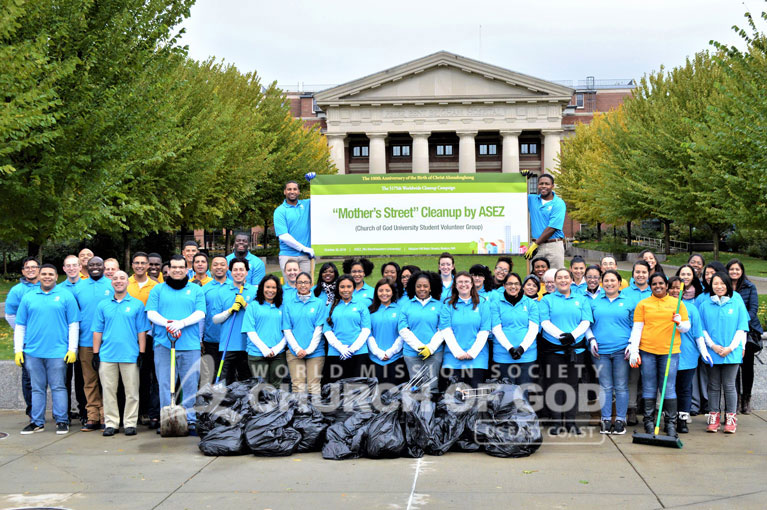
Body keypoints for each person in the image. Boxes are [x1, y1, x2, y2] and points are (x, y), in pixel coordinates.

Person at [14, 264, 80, 435]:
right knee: (37, 388)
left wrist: (72, 349)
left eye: (51, 274)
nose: (47, 277)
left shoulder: (66, 296)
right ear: (39, 276)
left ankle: (62, 420)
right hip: (33, 352)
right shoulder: (29, 297)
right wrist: (18, 350)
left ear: (56, 277)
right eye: (44, 274)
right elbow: (20, 325)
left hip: (58, 352)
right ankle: (36, 422)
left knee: (59, 387)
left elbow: (73, 324)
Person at [146, 255, 206, 435]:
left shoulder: (195, 289)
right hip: (164, 344)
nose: (177, 270)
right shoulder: (158, 290)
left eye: (181, 267)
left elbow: (200, 313)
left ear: (187, 269)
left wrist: (181, 323)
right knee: (165, 383)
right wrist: (167, 323)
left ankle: (189, 419)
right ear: (169, 269)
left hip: (189, 345)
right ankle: (168, 418)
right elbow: (151, 312)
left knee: (189, 382)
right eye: (174, 267)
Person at [627, 273, 690, 437]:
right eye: (654, 284)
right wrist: (634, 349)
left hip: (670, 351)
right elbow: (637, 328)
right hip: (648, 351)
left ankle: (670, 423)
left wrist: (679, 323)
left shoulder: (677, 304)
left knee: (668, 387)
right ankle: (648, 422)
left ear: (667, 285)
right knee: (649, 386)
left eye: (661, 283)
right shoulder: (643, 304)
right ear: (650, 286)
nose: (658, 286)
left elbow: (686, 327)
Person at [92, 271, 149, 436]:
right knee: (109, 391)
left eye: (122, 278)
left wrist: (142, 352)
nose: (118, 281)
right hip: (107, 355)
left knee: (132, 392)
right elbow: (97, 330)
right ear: (111, 283)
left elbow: (141, 331)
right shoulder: (103, 305)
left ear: (127, 282)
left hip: (130, 355)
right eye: (115, 279)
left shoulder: (137, 305)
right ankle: (111, 423)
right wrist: (96, 354)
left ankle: (130, 422)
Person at [539, 268, 593, 434]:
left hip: (576, 349)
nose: (563, 280)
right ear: (554, 282)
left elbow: (586, 321)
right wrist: (562, 336)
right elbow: (544, 322)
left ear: (571, 280)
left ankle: (570, 421)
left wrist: (573, 336)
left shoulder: (581, 299)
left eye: (566, 277)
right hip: (553, 349)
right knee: (554, 385)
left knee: (573, 385)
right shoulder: (547, 300)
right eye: (559, 278)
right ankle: (556, 422)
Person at [698, 272, 749, 434]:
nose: (719, 287)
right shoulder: (705, 305)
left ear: (727, 284)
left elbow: (741, 329)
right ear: (711, 286)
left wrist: (731, 348)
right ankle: (714, 416)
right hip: (713, 352)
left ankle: (731, 418)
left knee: (729, 386)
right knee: (713, 386)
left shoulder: (737, 303)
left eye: (722, 283)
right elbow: (702, 329)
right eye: (715, 284)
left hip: (731, 353)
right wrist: (712, 346)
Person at [586, 270, 633, 435]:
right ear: (601, 283)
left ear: (620, 283)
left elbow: (636, 325)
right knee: (605, 386)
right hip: (600, 352)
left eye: (613, 280)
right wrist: (591, 340)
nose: (609, 283)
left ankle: (620, 419)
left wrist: (632, 345)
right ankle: (606, 419)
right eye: (606, 280)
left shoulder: (628, 301)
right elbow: (587, 325)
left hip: (622, 351)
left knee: (620, 386)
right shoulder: (594, 302)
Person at [71, 256, 114, 431]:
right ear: (85, 267)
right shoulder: (78, 288)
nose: (95, 267)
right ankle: (92, 416)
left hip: (108, 342)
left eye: (98, 264)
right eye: (91, 265)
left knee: (107, 381)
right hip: (86, 342)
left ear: (104, 267)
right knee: (89, 381)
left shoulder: (111, 285)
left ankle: (106, 416)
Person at [667, 276, 708, 434]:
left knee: (684, 388)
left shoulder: (691, 309)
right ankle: (669, 419)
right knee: (669, 388)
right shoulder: (662, 307)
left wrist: (704, 352)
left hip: (688, 354)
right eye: (672, 287)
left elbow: (698, 333)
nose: (675, 291)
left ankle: (682, 419)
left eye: (678, 288)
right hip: (667, 354)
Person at [439, 271, 491, 389]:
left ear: (472, 284)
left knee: (476, 398)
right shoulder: (448, 304)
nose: (463, 285)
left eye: (467, 281)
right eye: (460, 282)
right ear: (455, 285)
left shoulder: (482, 303)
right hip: (453, 360)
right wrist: (458, 353)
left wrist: (472, 353)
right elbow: (446, 330)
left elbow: (485, 330)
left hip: (477, 359)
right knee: (455, 400)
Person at [212, 258, 258, 385]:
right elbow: (215, 319)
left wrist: (245, 305)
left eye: (242, 269)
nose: (238, 272)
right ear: (230, 272)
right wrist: (230, 310)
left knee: (246, 383)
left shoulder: (255, 292)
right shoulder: (221, 292)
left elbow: (259, 317)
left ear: (247, 272)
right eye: (235, 270)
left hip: (248, 345)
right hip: (227, 345)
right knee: (225, 383)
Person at [398, 271, 444, 399]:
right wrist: (420, 347)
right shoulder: (406, 306)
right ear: (413, 287)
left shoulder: (439, 306)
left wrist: (430, 348)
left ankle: (430, 417)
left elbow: (443, 329)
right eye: (418, 286)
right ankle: (417, 417)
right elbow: (403, 329)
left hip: (434, 353)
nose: (422, 289)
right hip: (412, 354)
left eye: (425, 286)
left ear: (430, 288)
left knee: (432, 387)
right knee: (416, 388)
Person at [127, 252, 160, 429]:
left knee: (148, 375)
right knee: (132, 376)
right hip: (127, 336)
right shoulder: (125, 284)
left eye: (143, 263)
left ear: (148, 266)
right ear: (132, 265)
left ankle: (147, 410)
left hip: (148, 337)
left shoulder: (155, 286)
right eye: (136, 262)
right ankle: (133, 411)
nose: (140, 265)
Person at [490, 273, 539, 391]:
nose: (513, 286)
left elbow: (533, 328)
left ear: (521, 286)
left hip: (527, 356)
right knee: (507, 396)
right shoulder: (496, 304)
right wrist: (510, 349)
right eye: (510, 283)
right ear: (504, 286)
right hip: (503, 356)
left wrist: (522, 348)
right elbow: (496, 329)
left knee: (524, 393)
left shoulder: (530, 303)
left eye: (516, 284)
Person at [726, 259, 763, 415]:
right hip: (729, 331)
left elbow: (753, 309)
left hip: (747, 331)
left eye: (737, 269)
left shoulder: (749, 286)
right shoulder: (724, 287)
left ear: (742, 271)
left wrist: (740, 324)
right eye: (732, 269)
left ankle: (746, 399)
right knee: (733, 367)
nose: (734, 272)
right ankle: (736, 400)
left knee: (747, 367)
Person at [4, 257, 40, 418]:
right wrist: (25, 332)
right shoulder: (17, 291)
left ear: (39, 269)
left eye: (34, 267)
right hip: (28, 342)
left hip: (49, 341)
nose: (31, 270)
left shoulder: (49, 286)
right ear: (23, 271)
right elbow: (10, 315)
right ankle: (33, 411)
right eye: (27, 267)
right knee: (29, 379)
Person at [282, 271, 327, 395]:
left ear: (311, 284)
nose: (303, 285)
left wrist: (309, 350)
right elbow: (287, 329)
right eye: (300, 282)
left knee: (314, 386)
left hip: (316, 352)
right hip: (294, 352)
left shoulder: (318, 303)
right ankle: (301, 413)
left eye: (306, 282)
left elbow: (319, 329)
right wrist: (297, 349)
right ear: (295, 285)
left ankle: (315, 413)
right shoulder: (288, 304)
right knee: (298, 386)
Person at [322, 274, 372, 383]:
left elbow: (366, 329)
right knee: (336, 389)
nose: (346, 290)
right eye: (342, 287)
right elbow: (327, 330)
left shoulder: (361, 305)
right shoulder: (330, 306)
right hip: (336, 353)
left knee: (358, 388)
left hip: (359, 353)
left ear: (353, 288)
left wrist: (352, 349)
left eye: (349, 286)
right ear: (338, 288)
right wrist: (341, 348)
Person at [242, 275, 287, 388]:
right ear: (262, 288)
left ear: (278, 290)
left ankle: (276, 406)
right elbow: (250, 330)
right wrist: (265, 349)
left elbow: (288, 331)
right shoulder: (253, 306)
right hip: (257, 354)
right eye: (267, 287)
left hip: (278, 354)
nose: (270, 290)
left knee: (277, 387)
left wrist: (276, 349)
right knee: (261, 388)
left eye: (274, 287)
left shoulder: (282, 307)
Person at [367, 279, 406, 385]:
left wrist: (390, 352)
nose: (384, 293)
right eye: (381, 290)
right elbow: (368, 334)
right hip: (375, 359)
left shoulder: (400, 310)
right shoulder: (370, 311)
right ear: (376, 293)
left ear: (392, 292)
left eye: (387, 290)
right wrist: (378, 352)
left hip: (395, 358)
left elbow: (402, 334)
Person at [524, 173, 566, 270]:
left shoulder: (558, 203)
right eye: (541, 183)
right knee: (535, 279)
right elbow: (517, 194)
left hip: (554, 246)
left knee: (556, 277)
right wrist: (522, 179)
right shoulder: (531, 199)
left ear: (552, 186)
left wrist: (535, 244)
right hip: (536, 247)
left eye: (547, 184)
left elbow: (552, 228)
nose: (543, 186)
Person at [199, 255, 230, 387]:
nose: (219, 267)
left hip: (230, 340)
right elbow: (201, 316)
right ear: (211, 268)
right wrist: (200, 339)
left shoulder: (235, 287)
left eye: (222, 264)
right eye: (216, 264)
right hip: (210, 340)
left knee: (228, 376)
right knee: (210, 375)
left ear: (227, 267)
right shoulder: (204, 289)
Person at [274, 180, 314, 275]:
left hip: (306, 257)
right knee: (290, 286)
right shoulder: (280, 211)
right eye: (289, 189)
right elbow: (283, 236)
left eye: (295, 189)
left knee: (306, 286)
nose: (292, 191)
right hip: (288, 255)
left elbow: (321, 197)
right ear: (285, 192)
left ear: (299, 191)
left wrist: (314, 181)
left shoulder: (307, 204)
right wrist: (304, 248)